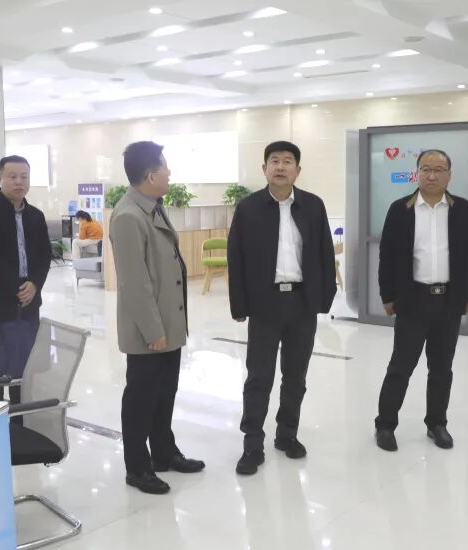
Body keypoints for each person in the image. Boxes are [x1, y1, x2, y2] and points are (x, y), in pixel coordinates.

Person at [227, 141, 336, 476]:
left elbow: (324, 253)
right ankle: (252, 443)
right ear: (264, 169)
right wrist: (239, 304)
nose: (280, 166)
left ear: (297, 171)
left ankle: (287, 434)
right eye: (274, 161)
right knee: (259, 377)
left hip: (302, 303)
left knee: (295, 376)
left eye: (288, 161)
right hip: (265, 304)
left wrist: (325, 298)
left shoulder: (313, 206)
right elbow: (236, 257)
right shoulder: (248, 208)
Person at [110, 141, 204, 495]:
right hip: (149, 331)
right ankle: (137, 468)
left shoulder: (152, 207)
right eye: (165, 167)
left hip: (168, 324)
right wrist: (153, 331)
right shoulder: (129, 216)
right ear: (151, 175)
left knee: (164, 394)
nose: (169, 173)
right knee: (141, 400)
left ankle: (164, 452)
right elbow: (134, 283)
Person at [374, 149, 468, 452]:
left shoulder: (461, 209)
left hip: (448, 301)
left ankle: (437, 424)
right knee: (401, 367)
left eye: (438, 170)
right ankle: (385, 425)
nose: (432, 175)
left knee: (442, 368)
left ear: (449, 175)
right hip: (412, 301)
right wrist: (387, 295)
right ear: (417, 173)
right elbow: (386, 256)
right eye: (425, 169)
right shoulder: (400, 209)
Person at [0, 156, 51, 402]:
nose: (19, 182)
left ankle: (20, 417)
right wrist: (17, 287)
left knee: (24, 363)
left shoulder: (36, 216)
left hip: (29, 301)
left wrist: (34, 284)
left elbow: (44, 256)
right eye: (12, 176)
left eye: (24, 177)